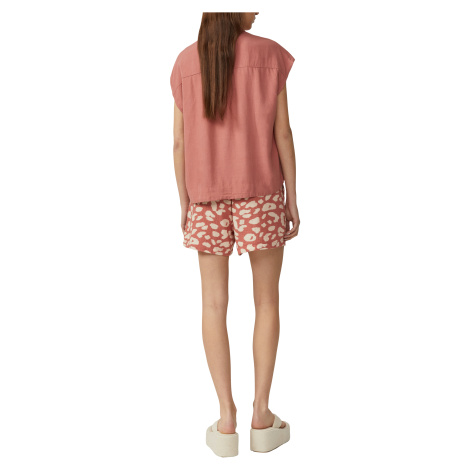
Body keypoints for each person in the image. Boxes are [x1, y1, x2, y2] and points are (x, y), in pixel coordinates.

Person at [170, 12, 300, 457]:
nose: (258, 9)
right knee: (267, 301)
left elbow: (179, 143)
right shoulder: (269, 56)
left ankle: (226, 420)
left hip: (204, 197)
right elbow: (283, 133)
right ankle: (261, 415)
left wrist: (185, 201)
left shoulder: (185, 63)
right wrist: (292, 196)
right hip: (260, 191)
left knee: (212, 304)